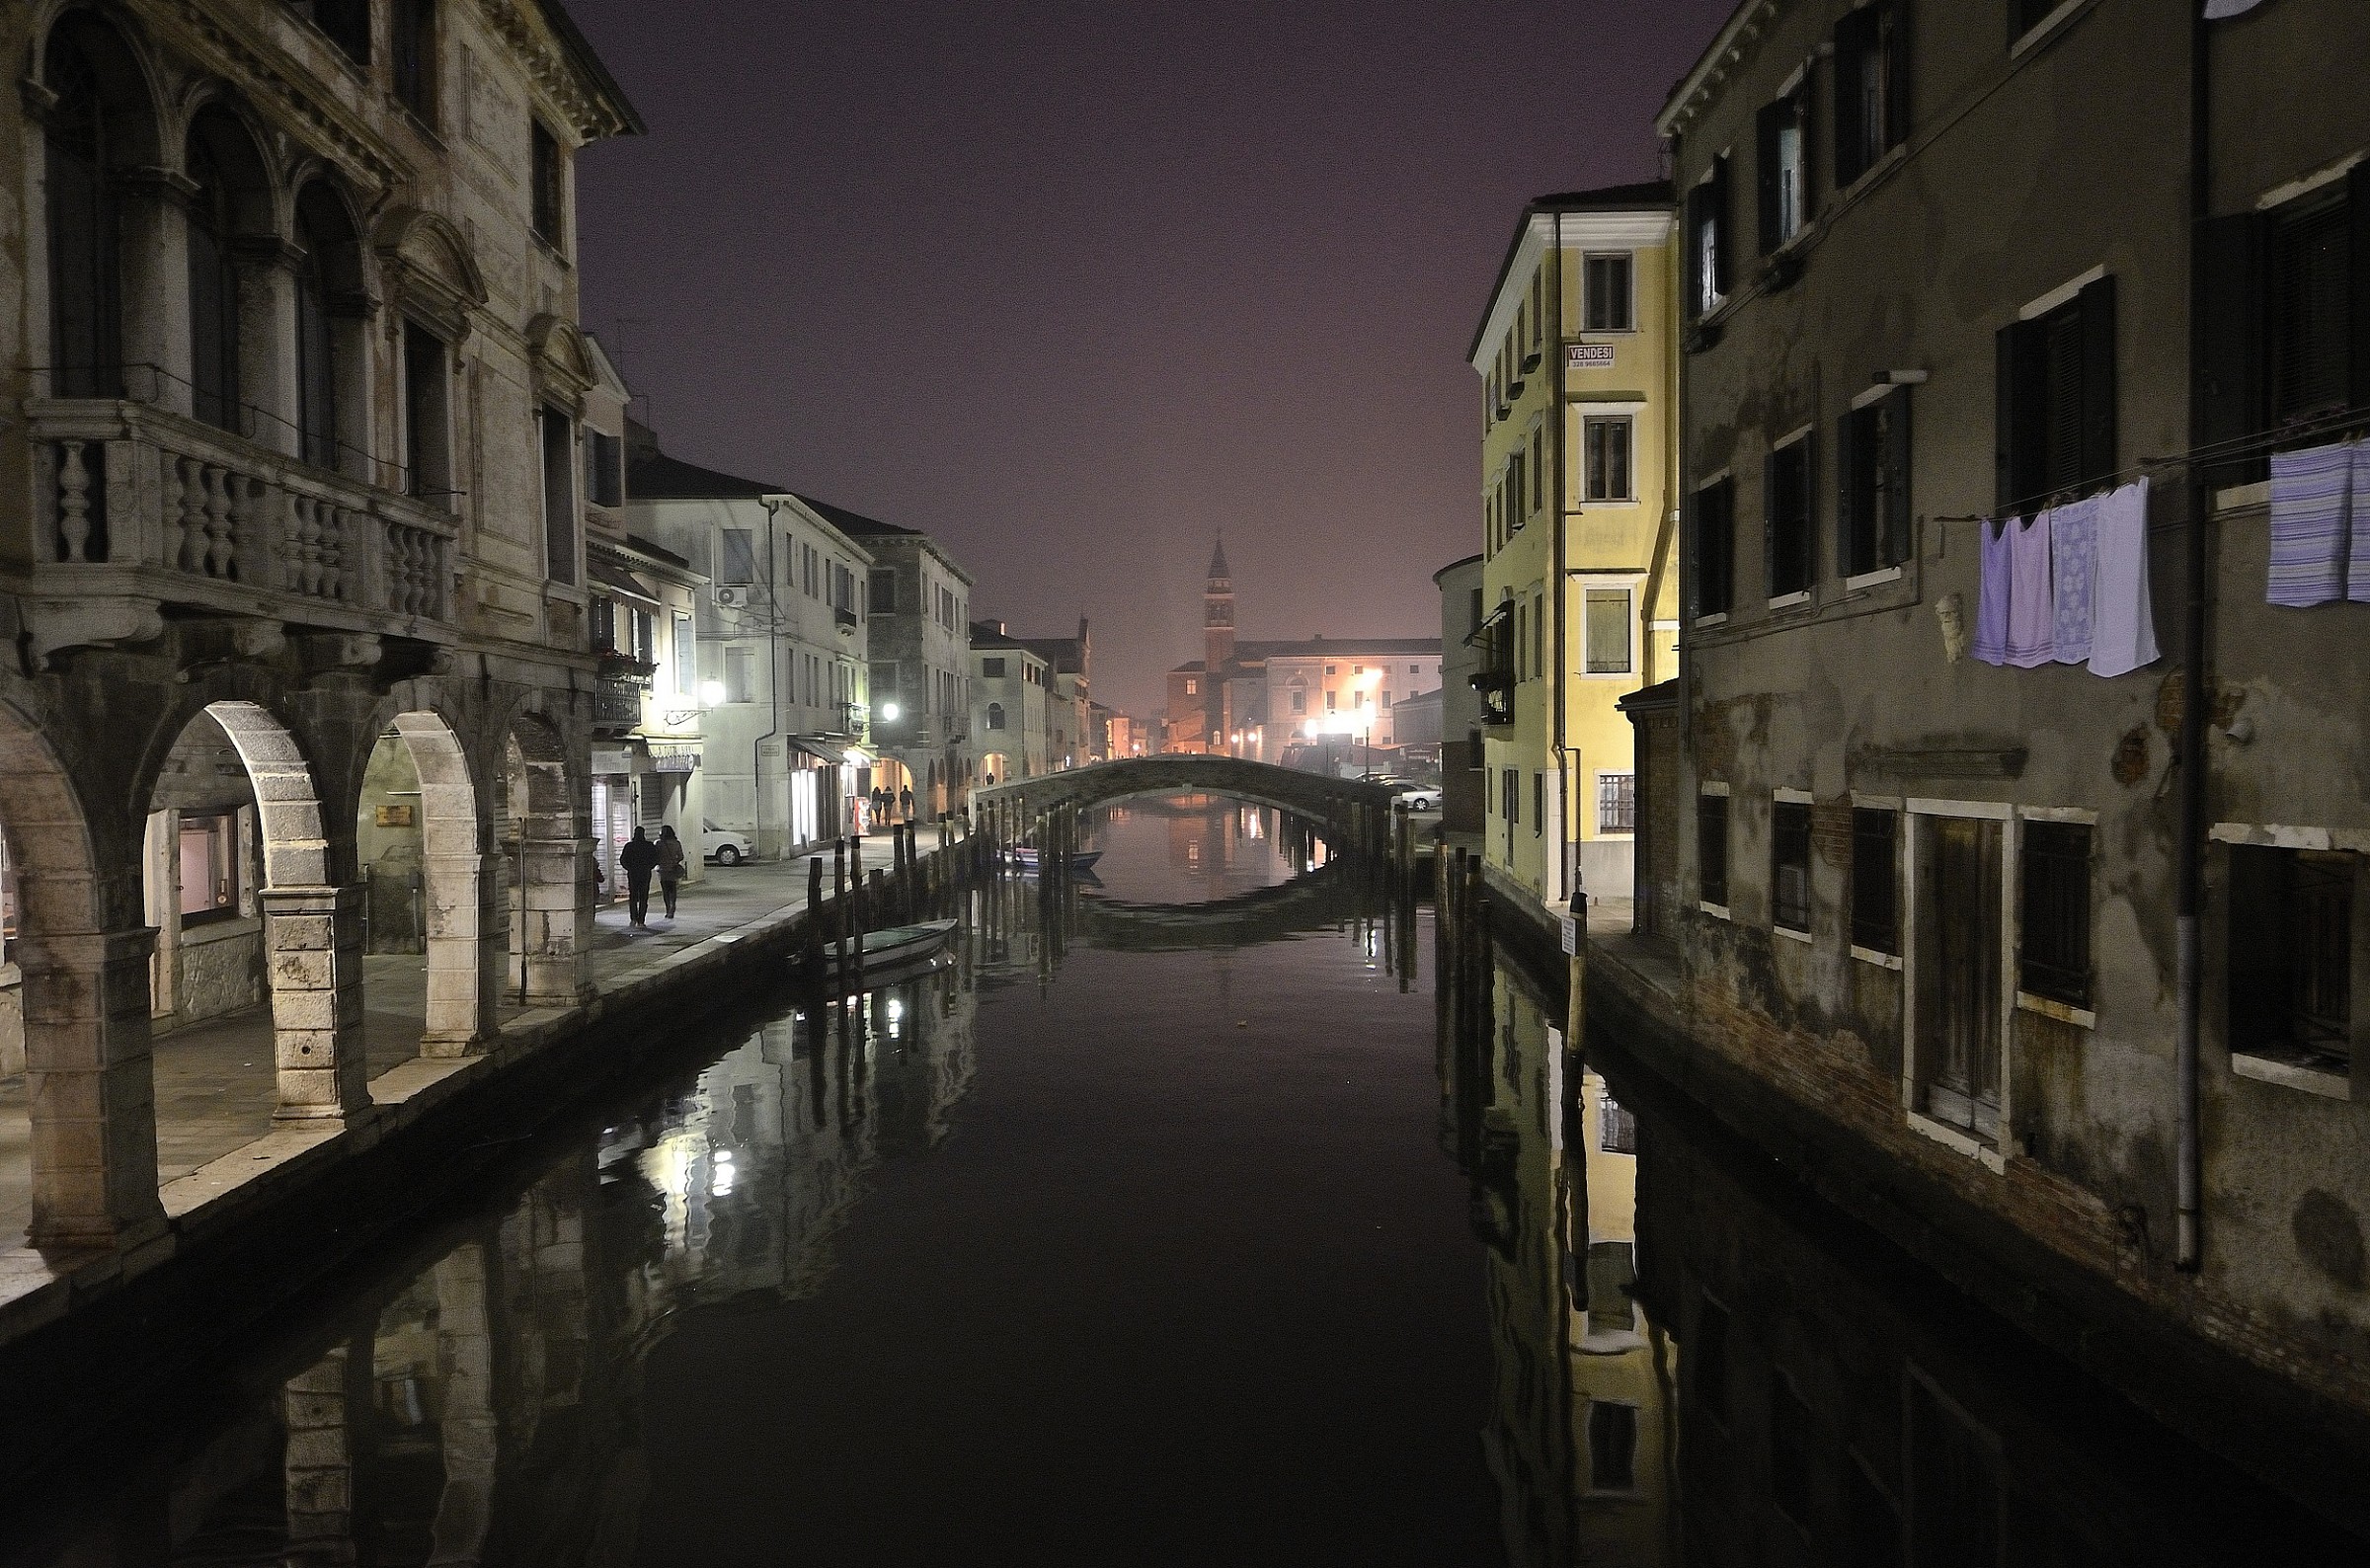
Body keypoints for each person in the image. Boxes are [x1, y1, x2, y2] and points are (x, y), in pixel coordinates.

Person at [618, 826, 659, 929]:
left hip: (633, 873)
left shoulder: (630, 846)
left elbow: (623, 860)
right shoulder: (649, 846)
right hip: (645, 873)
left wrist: (630, 868)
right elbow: (655, 859)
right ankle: (641, 920)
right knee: (643, 897)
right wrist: (649, 867)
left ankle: (633, 918)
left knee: (633, 896)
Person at [656, 823, 687, 919]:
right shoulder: (676, 843)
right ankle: (673, 905)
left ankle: (668, 909)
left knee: (665, 891)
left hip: (662, 870)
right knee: (672, 889)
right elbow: (681, 856)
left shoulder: (658, 844)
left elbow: (655, 856)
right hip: (673, 869)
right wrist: (674, 861)